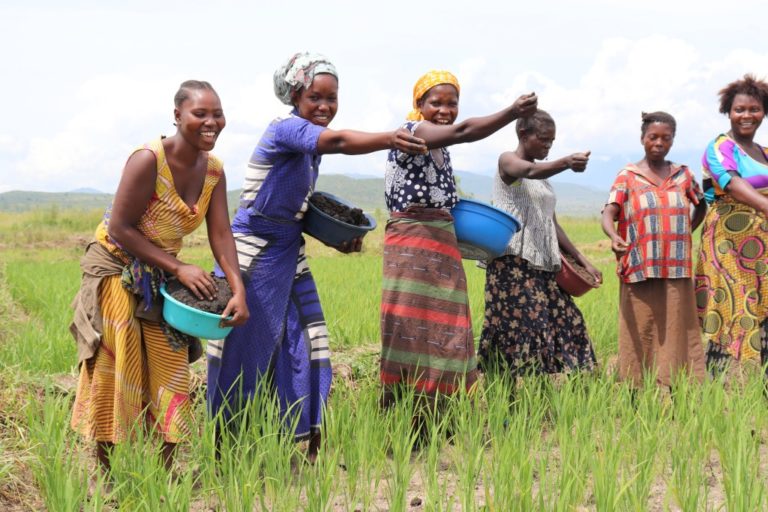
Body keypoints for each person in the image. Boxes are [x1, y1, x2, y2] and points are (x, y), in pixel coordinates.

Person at [205, 52, 427, 462]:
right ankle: (226, 450)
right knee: (243, 348)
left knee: (308, 340)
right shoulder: (287, 129)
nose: (324, 106)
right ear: (295, 96)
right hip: (253, 257)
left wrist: (335, 237)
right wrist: (391, 138)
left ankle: (298, 440)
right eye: (315, 98)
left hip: (290, 252)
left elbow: (295, 208)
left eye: (332, 98)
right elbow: (339, 141)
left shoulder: (310, 147)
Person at [69, 80, 249, 473]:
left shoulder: (214, 170)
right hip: (117, 265)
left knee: (171, 363)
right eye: (200, 113)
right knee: (118, 365)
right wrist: (179, 268)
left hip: (160, 273)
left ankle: (167, 473)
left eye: (217, 114)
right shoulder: (148, 159)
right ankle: (106, 474)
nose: (211, 122)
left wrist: (238, 290)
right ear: (177, 116)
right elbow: (120, 227)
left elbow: (220, 233)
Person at [380, 70, 538, 402]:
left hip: (441, 239)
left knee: (447, 322)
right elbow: (464, 131)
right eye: (435, 102)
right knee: (411, 322)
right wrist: (511, 112)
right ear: (419, 104)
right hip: (412, 240)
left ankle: (444, 409)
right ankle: (405, 408)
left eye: (452, 103)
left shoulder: (442, 149)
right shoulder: (414, 131)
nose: (445, 110)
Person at [477, 109, 600, 378]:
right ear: (523, 134)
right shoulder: (508, 162)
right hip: (512, 265)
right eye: (544, 140)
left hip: (543, 267)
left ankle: (542, 400)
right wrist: (566, 161)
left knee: (568, 322)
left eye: (552, 142)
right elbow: (528, 169)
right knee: (519, 331)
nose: (548, 146)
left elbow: (551, 224)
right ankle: (508, 404)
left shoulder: (543, 178)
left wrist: (584, 261)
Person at [602, 111, 707, 387]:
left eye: (666, 138)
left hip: (676, 265)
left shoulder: (683, 174)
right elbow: (609, 212)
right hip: (639, 264)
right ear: (642, 139)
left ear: (673, 140)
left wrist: (684, 233)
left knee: (676, 326)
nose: (659, 143)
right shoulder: (628, 176)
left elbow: (701, 205)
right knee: (641, 325)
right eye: (653, 137)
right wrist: (614, 236)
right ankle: (636, 386)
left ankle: (677, 385)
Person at [695, 74, 768, 376]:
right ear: (728, 111)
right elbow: (731, 182)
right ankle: (714, 393)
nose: (747, 115)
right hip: (727, 247)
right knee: (727, 309)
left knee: (764, 313)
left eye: (754, 109)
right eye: (740, 109)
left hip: (761, 250)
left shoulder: (764, 153)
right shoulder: (719, 147)